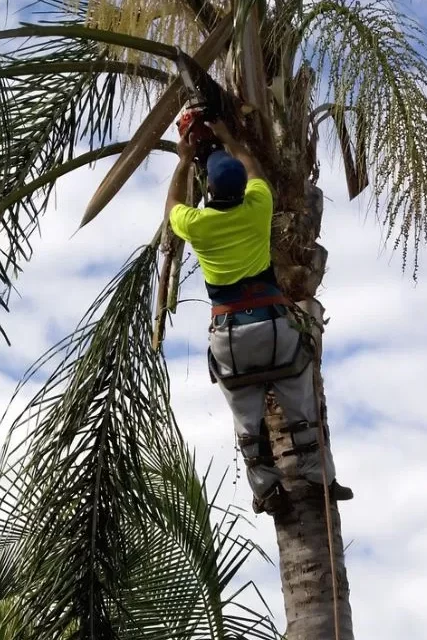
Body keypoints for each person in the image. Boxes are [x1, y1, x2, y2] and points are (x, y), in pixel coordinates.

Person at [165, 119, 353, 516]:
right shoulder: (259, 204)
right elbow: (252, 167)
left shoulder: (197, 225)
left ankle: (267, 491)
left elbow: (173, 210)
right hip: (274, 327)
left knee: (248, 424)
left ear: (210, 191)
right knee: (302, 406)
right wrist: (232, 137)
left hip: (231, 337)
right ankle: (320, 478)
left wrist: (183, 162)